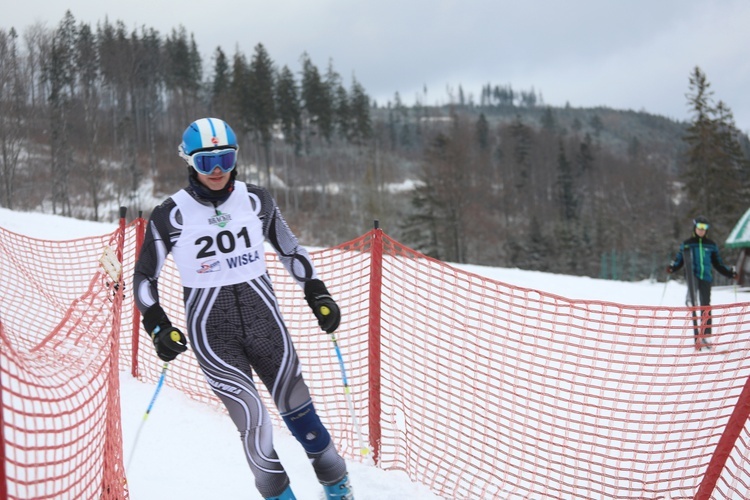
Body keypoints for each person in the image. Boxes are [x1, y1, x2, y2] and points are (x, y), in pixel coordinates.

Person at [133, 117, 354, 500]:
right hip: (214, 336)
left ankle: (337, 485)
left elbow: (290, 250)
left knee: (303, 415)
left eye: (225, 158)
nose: (217, 170)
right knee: (254, 422)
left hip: (266, 325)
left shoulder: (256, 199)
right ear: (189, 162)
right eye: (206, 162)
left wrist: (317, 292)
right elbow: (144, 279)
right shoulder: (171, 213)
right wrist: (157, 326)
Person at [667, 215, 736, 350]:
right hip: (692, 276)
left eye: (705, 228)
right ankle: (690, 301)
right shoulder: (687, 243)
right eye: (699, 227)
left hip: (706, 277)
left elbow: (718, 263)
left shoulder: (711, 245)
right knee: (694, 302)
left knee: (706, 305)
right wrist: (673, 267)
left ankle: (705, 335)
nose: (701, 230)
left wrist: (729, 273)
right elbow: (680, 260)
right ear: (695, 227)